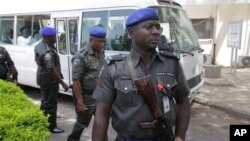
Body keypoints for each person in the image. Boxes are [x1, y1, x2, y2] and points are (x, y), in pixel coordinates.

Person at [92, 8, 191, 141]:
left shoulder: (172, 64)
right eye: (149, 27)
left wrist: (180, 136)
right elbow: (102, 113)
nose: (156, 32)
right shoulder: (114, 68)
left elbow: (183, 101)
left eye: (158, 27)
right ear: (131, 32)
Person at [67, 27, 106, 141]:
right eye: (98, 41)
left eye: (103, 41)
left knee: (101, 121)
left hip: (99, 94)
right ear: (90, 40)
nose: (101, 44)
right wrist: (80, 101)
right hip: (86, 96)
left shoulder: (102, 52)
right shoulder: (81, 56)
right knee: (82, 123)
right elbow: (76, 80)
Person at [34, 26, 69, 133]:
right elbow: (51, 70)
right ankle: (51, 126)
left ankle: (44, 118)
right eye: (55, 36)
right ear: (48, 37)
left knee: (45, 101)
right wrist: (63, 83)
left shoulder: (40, 45)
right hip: (49, 80)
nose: (56, 37)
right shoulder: (47, 51)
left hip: (42, 76)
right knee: (51, 104)